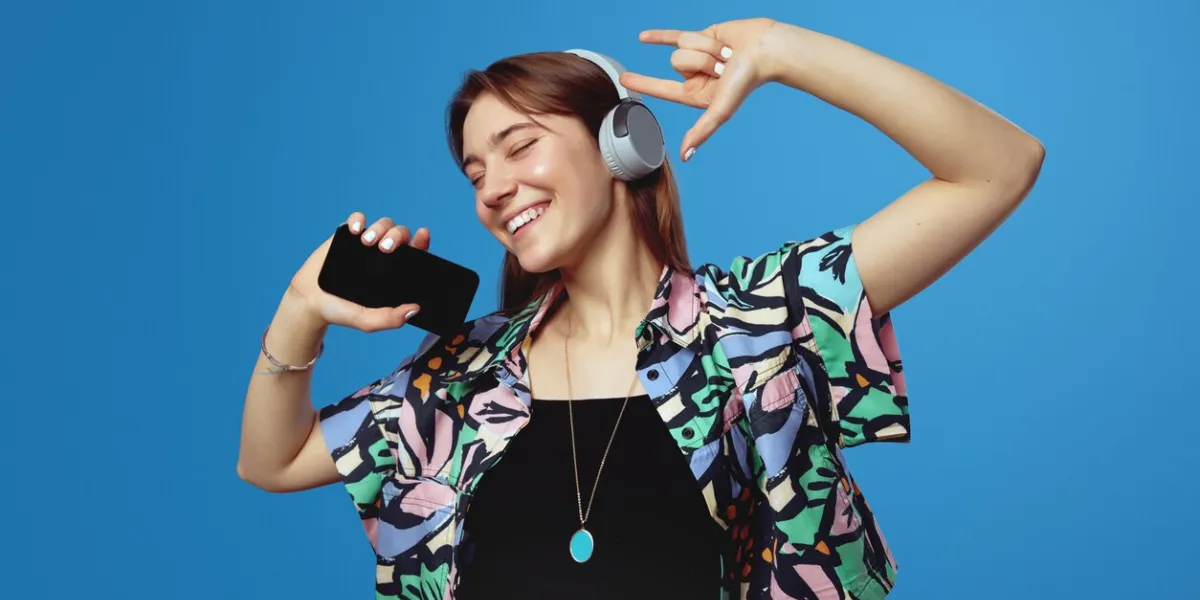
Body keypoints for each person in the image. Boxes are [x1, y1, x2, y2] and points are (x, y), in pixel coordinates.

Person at [237, 16, 1044, 600]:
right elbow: (271, 461)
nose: (492, 188)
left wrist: (782, 51)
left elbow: (997, 168)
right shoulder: (468, 374)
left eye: (520, 146)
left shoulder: (751, 323)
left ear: (625, 144)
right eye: (475, 171)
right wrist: (301, 308)